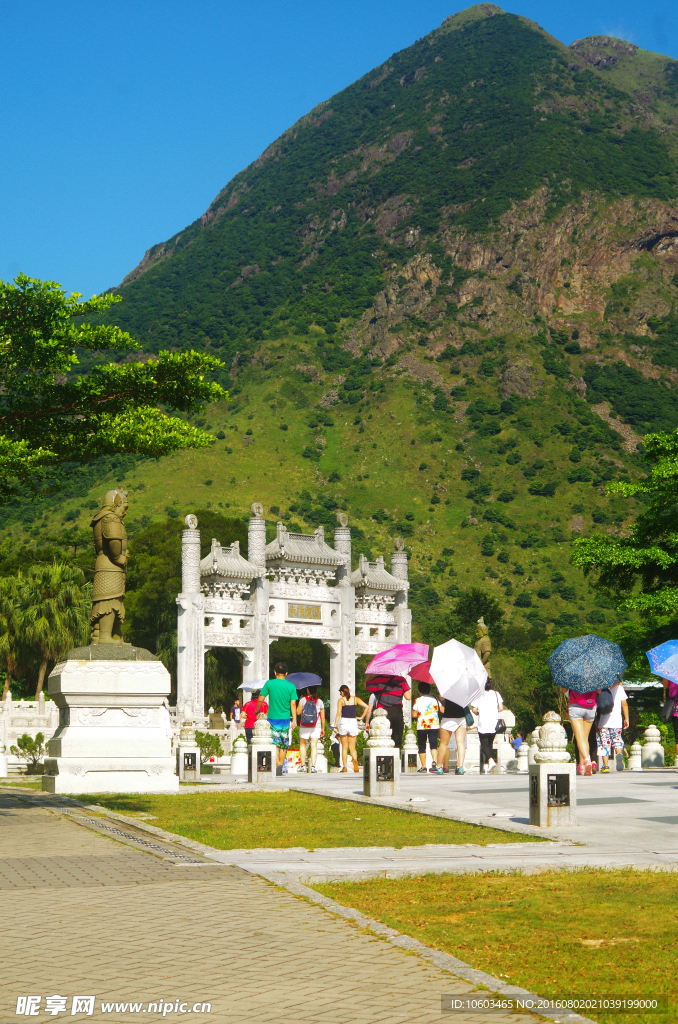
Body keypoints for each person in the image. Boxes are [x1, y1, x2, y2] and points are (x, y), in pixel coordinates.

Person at [257, 662, 298, 771]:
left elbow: (261, 698)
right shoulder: (291, 686)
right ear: (286, 673)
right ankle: (280, 764)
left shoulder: (269, 683)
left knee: (274, 742)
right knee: (284, 742)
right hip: (285, 718)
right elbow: (293, 704)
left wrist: (257, 710)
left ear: (274, 672)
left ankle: (276, 765)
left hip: (272, 718)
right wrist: (294, 720)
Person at [364, 676, 411, 750]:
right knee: (397, 739)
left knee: (382, 739)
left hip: (382, 715)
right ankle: (395, 758)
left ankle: (383, 759)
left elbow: (366, 685)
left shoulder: (378, 680)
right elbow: (408, 697)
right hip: (397, 713)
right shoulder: (401, 680)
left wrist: (370, 674)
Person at [471, 680, 504, 774]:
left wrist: (479, 712)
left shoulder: (478, 694)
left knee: (484, 744)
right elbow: (501, 708)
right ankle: (486, 766)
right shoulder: (496, 694)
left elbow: (473, 709)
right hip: (494, 721)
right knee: (490, 744)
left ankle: (490, 759)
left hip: (483, 721)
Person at [334, 685, 369, 772]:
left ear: (342, 692)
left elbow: (338, 714)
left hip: (344, 722)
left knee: (344, 747)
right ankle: (355, 762)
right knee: (352, 747)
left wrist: (335, 725)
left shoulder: (341, 700)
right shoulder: (355, 699)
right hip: (353, 722)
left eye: (340, 692)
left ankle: (345, 767)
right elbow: (367, 707)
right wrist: (361, 717)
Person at [596, 680, 629, 773]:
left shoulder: (600, 686)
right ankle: (619, 753)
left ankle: (605, 766)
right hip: (617, 721)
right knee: (617, 740)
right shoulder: (620, 687)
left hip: (604, 721)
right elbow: (624, 704)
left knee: (604, 744)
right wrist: (626, 718)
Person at [412, 682, 444, 773]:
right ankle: (434, 761)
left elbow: (414, 714)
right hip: (434, 725)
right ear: (429, 690)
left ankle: (423, 766)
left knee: (422, 746)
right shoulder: (435, 699)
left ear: (419, 691)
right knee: (433, 745)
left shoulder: (417, 700)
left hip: (422, 726)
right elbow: (442, 710)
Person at [568, 686, 599, 776]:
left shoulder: (572, 672)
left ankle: (587, 760)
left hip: (575, 705)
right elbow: (599, 691)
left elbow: (564, 690)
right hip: (590, 707)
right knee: (585, 738)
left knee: (580, 738)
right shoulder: (595, 674)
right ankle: (581, 767)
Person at [436, 696, 470, 776]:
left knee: (444, 743)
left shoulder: (448, 687)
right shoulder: (464, 687)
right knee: (460, 743)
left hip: (448, 716)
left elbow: (441, 698)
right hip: (461, 717)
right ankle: (460, 766)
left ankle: (439, 766)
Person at [297, 686, 326, 773]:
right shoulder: (319, 701)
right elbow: (323, 717)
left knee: (303, 745)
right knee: (314, 746)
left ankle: (303, 766)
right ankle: (313, 766)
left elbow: (298, 712)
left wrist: (299, 701)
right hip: (316, 725)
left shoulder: (303, 700)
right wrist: (323, 728)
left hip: (304, 725)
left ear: (308, 690)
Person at [662, 677, 678, 768]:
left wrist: (665, 675)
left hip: (676, 710)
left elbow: (665, 685)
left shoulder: (670, 671)